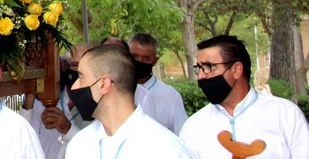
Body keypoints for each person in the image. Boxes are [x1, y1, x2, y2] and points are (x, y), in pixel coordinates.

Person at [179, 34, 309, 159]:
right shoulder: (194, 127)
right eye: (199, 68)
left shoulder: (285, 114)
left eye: (208, 67)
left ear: (236, 70)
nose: (200, 76)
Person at [65, 44, 192, 159]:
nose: (74, 87)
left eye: (81, 77)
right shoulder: (79, 144)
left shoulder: (166, 150)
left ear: (103, 84)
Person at [20, 44, 92, 159]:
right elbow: (24, 138)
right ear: (64, 66)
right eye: (75, 65)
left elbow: (94, 149)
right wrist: (30, 97)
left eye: (86, 65)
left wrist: (68, 129)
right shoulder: (44, 100)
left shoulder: (99, 104)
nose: (80, 71)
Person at [129, 33, 187, 134]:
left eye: (146, 58)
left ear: (155, 60)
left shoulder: (170, 96)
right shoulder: (115, 90)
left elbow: (182, 134)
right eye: (135, 56)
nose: (139, 61)